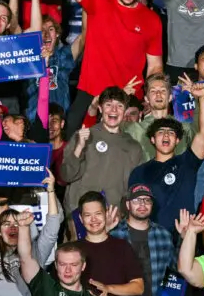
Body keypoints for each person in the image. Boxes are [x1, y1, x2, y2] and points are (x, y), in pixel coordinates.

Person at [59, 0, 163, 132]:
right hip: (90, 92)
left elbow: (155, 65)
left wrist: (150, 94)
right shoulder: (98, 1)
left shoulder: (152, 19)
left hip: (129, 96)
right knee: (73, 144)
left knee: (125, 154)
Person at [126, 77, 204, 231]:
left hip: (180, 208)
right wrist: (122, 97)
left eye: (163, 91)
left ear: (171, 96)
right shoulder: (133, 130)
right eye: (153, 91)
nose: (158, 95)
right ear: (146, 98)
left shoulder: (183, 128)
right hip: (146, 205)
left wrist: (201, 99)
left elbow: (203, 132)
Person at [58, 86, 144, 220]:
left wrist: (123, 214)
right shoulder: (83, 136)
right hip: (80, 216)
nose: (114, 110)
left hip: (113, 218)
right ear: (100, 108)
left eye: (119, 106)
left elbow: (133, 188)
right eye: (108, 105)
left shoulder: (134, 147)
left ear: (124, 111)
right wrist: (79, 147)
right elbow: (66, 175)